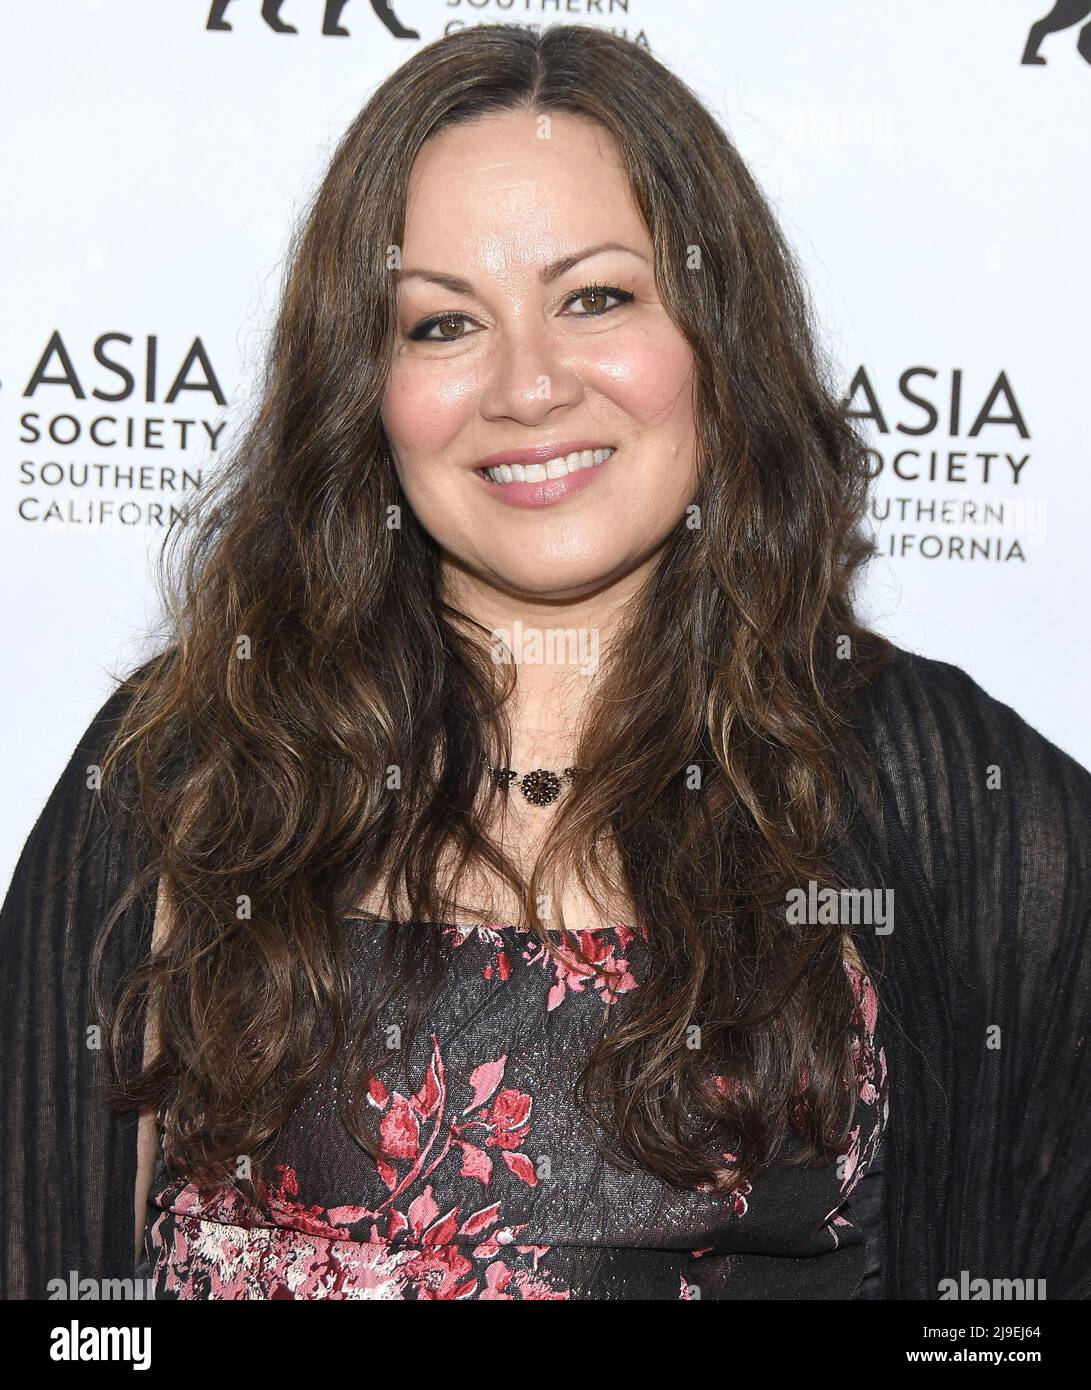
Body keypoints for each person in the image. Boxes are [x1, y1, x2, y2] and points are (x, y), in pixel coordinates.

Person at [2, 22, 1089, 1301]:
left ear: (713, 329)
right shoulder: (192, 756)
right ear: (367, 386)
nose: (525, 386)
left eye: (595, 297)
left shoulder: (942, 788)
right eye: (443, 322)